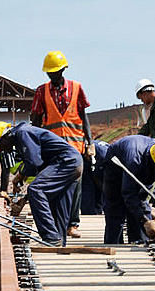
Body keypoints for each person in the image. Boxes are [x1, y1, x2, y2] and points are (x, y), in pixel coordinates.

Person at [0, 121, 83, 246]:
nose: (2, 150)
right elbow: (38, 164)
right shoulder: (24, 133)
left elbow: (34, 163)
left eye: (0, 145)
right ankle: (58, 241)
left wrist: (21, 176)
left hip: (65, 162)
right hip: (73, 162)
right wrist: (24, 196)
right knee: (59, 201)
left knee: (35, 190)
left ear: (5, 136)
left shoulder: (23, 134)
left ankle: (51, 238)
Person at [30, 50, 92, 239]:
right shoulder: (42, 91)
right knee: (55, 187)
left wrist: (91, 143)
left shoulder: (77, 88)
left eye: (55, 71)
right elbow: (35, 120)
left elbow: (84, 116)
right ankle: (58, 223)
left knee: (76, 187)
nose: (52, 75)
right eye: (49, 72)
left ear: (63, 70)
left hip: (75, 147)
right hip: (52, 150)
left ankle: (72, 224)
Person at [100, 135, 155, 244]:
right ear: (153, 161)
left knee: (141, 202)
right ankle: (113, 243)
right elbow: (128, 193)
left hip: (140, 162)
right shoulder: (134, 160)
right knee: (115, 207)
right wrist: (145, 221)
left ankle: (139, 240)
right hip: (115, 165)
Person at [80, 139, 109, 216]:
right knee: (88, 186)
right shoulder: (105, 157)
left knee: (100, 187)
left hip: (93, 153)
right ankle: (88, 213)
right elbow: (95, 176)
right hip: (87, 155)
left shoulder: (109, 156)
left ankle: (97, 210)